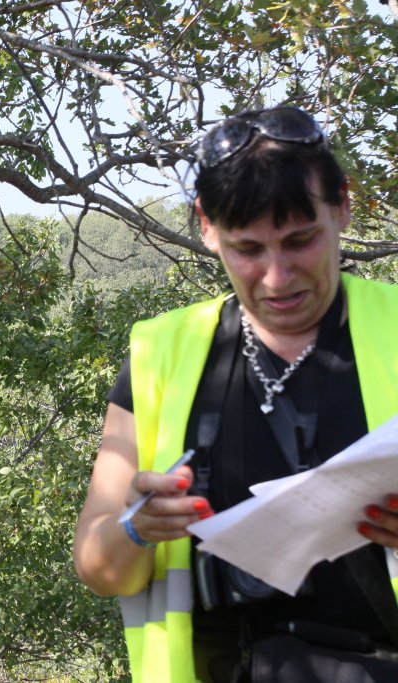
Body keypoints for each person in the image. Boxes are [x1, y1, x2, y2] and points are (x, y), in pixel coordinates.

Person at [72, 105, 398, 682]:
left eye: (301, 241)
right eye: (248, 249)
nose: (277, 276)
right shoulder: (159, 355)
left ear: (343, 206)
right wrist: (137, 527)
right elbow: (100, 570)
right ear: (207, 226)